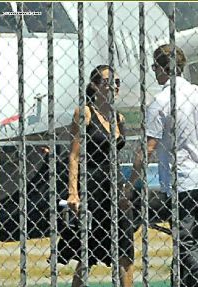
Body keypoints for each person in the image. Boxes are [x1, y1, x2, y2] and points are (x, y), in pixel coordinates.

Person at [125, 44, 198, 286]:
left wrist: (131, 183)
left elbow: (148, 148)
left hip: (181, 181)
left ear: (162, 69)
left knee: (186, 240)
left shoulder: (161, 102)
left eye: (155, 67)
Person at [57, 65, 134, 287]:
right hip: (92, 186)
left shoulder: (118, 118)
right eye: (108, 82)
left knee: (125, 251)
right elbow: (74, 156)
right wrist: (74, 192)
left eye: (116, 82)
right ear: (95, 85)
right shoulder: (85, 113)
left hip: (115, 188)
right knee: (87, 253)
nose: (113, 86)